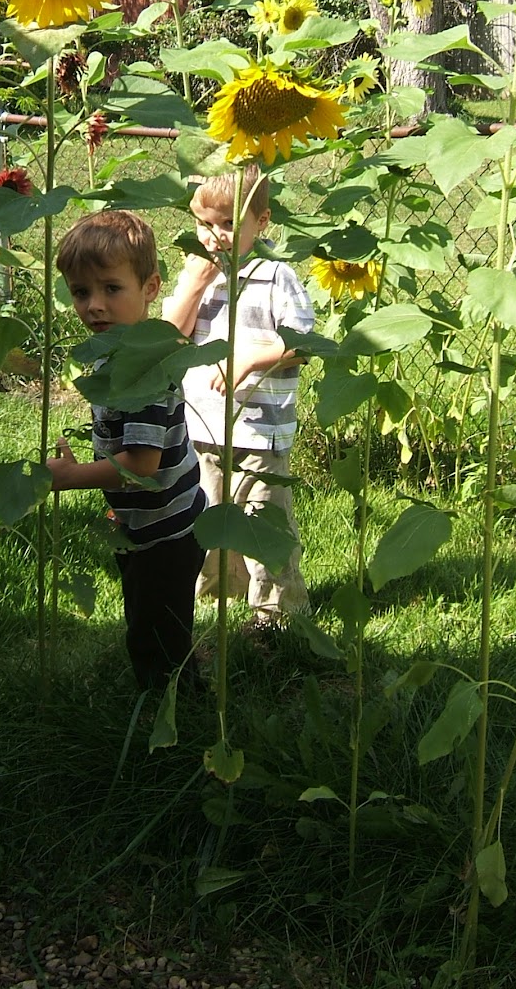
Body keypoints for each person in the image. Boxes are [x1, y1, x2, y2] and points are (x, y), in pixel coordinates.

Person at [47, 209, 206, 692]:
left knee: (156, 635)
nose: (94, 305)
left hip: (167, 532)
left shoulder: (143, 374)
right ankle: (172, 694)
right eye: (81, 292)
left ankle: (173, 716)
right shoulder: (115, 355)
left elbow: (143, 464)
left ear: (151, 287)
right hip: (143, 523)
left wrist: (75, 476)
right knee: (148, 617)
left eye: (111, 289)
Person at [162, 165, 312, 628]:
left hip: (258, 428)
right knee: (208, 513)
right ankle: (217, 593)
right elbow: (169, 334)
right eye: (204, 223)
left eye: (228, 224)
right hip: (202, 423)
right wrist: (194, 283)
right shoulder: (197, 273)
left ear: (260, 222)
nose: (215, 235)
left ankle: (276, 611)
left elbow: (301, 344)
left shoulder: (275, 275)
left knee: (262, 520)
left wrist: (249, 360)